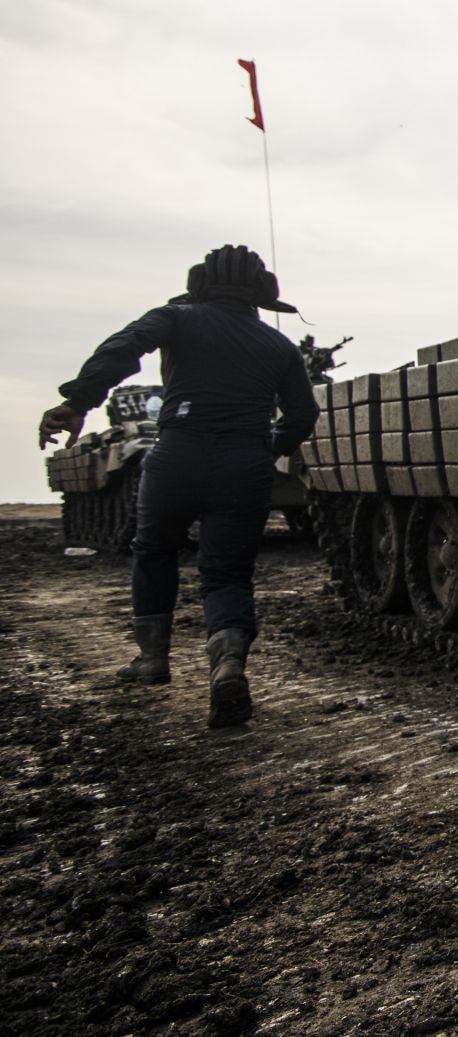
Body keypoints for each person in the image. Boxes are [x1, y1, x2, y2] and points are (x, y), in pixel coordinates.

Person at [38, 245, 319, 726]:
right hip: (244, 462)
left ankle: (151, 659)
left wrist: (79, 400)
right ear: (261, 294)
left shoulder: (175, 318)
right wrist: (265, 447)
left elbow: (122, 348)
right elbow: (304, 415)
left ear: (199, 285)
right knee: (227, 574)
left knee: (153, 550)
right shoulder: (279, 347)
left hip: (176, 455)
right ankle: (227, 664)